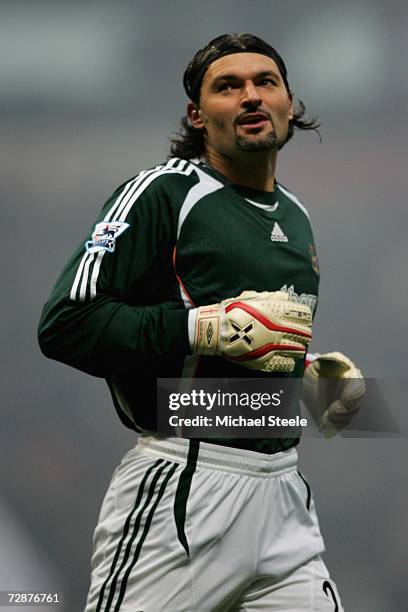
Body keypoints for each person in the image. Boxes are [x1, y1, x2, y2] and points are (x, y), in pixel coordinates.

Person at [38, 33, 365, 611]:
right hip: (185, 487)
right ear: (197, 115)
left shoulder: (296, 214)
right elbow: (66, 323)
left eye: (266, 82)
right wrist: (203, 327)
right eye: (228, 86)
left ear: (290, 102)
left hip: (285, 494)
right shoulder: (164, 193)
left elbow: (241, 357)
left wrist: (309, 383)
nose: (250, 96)